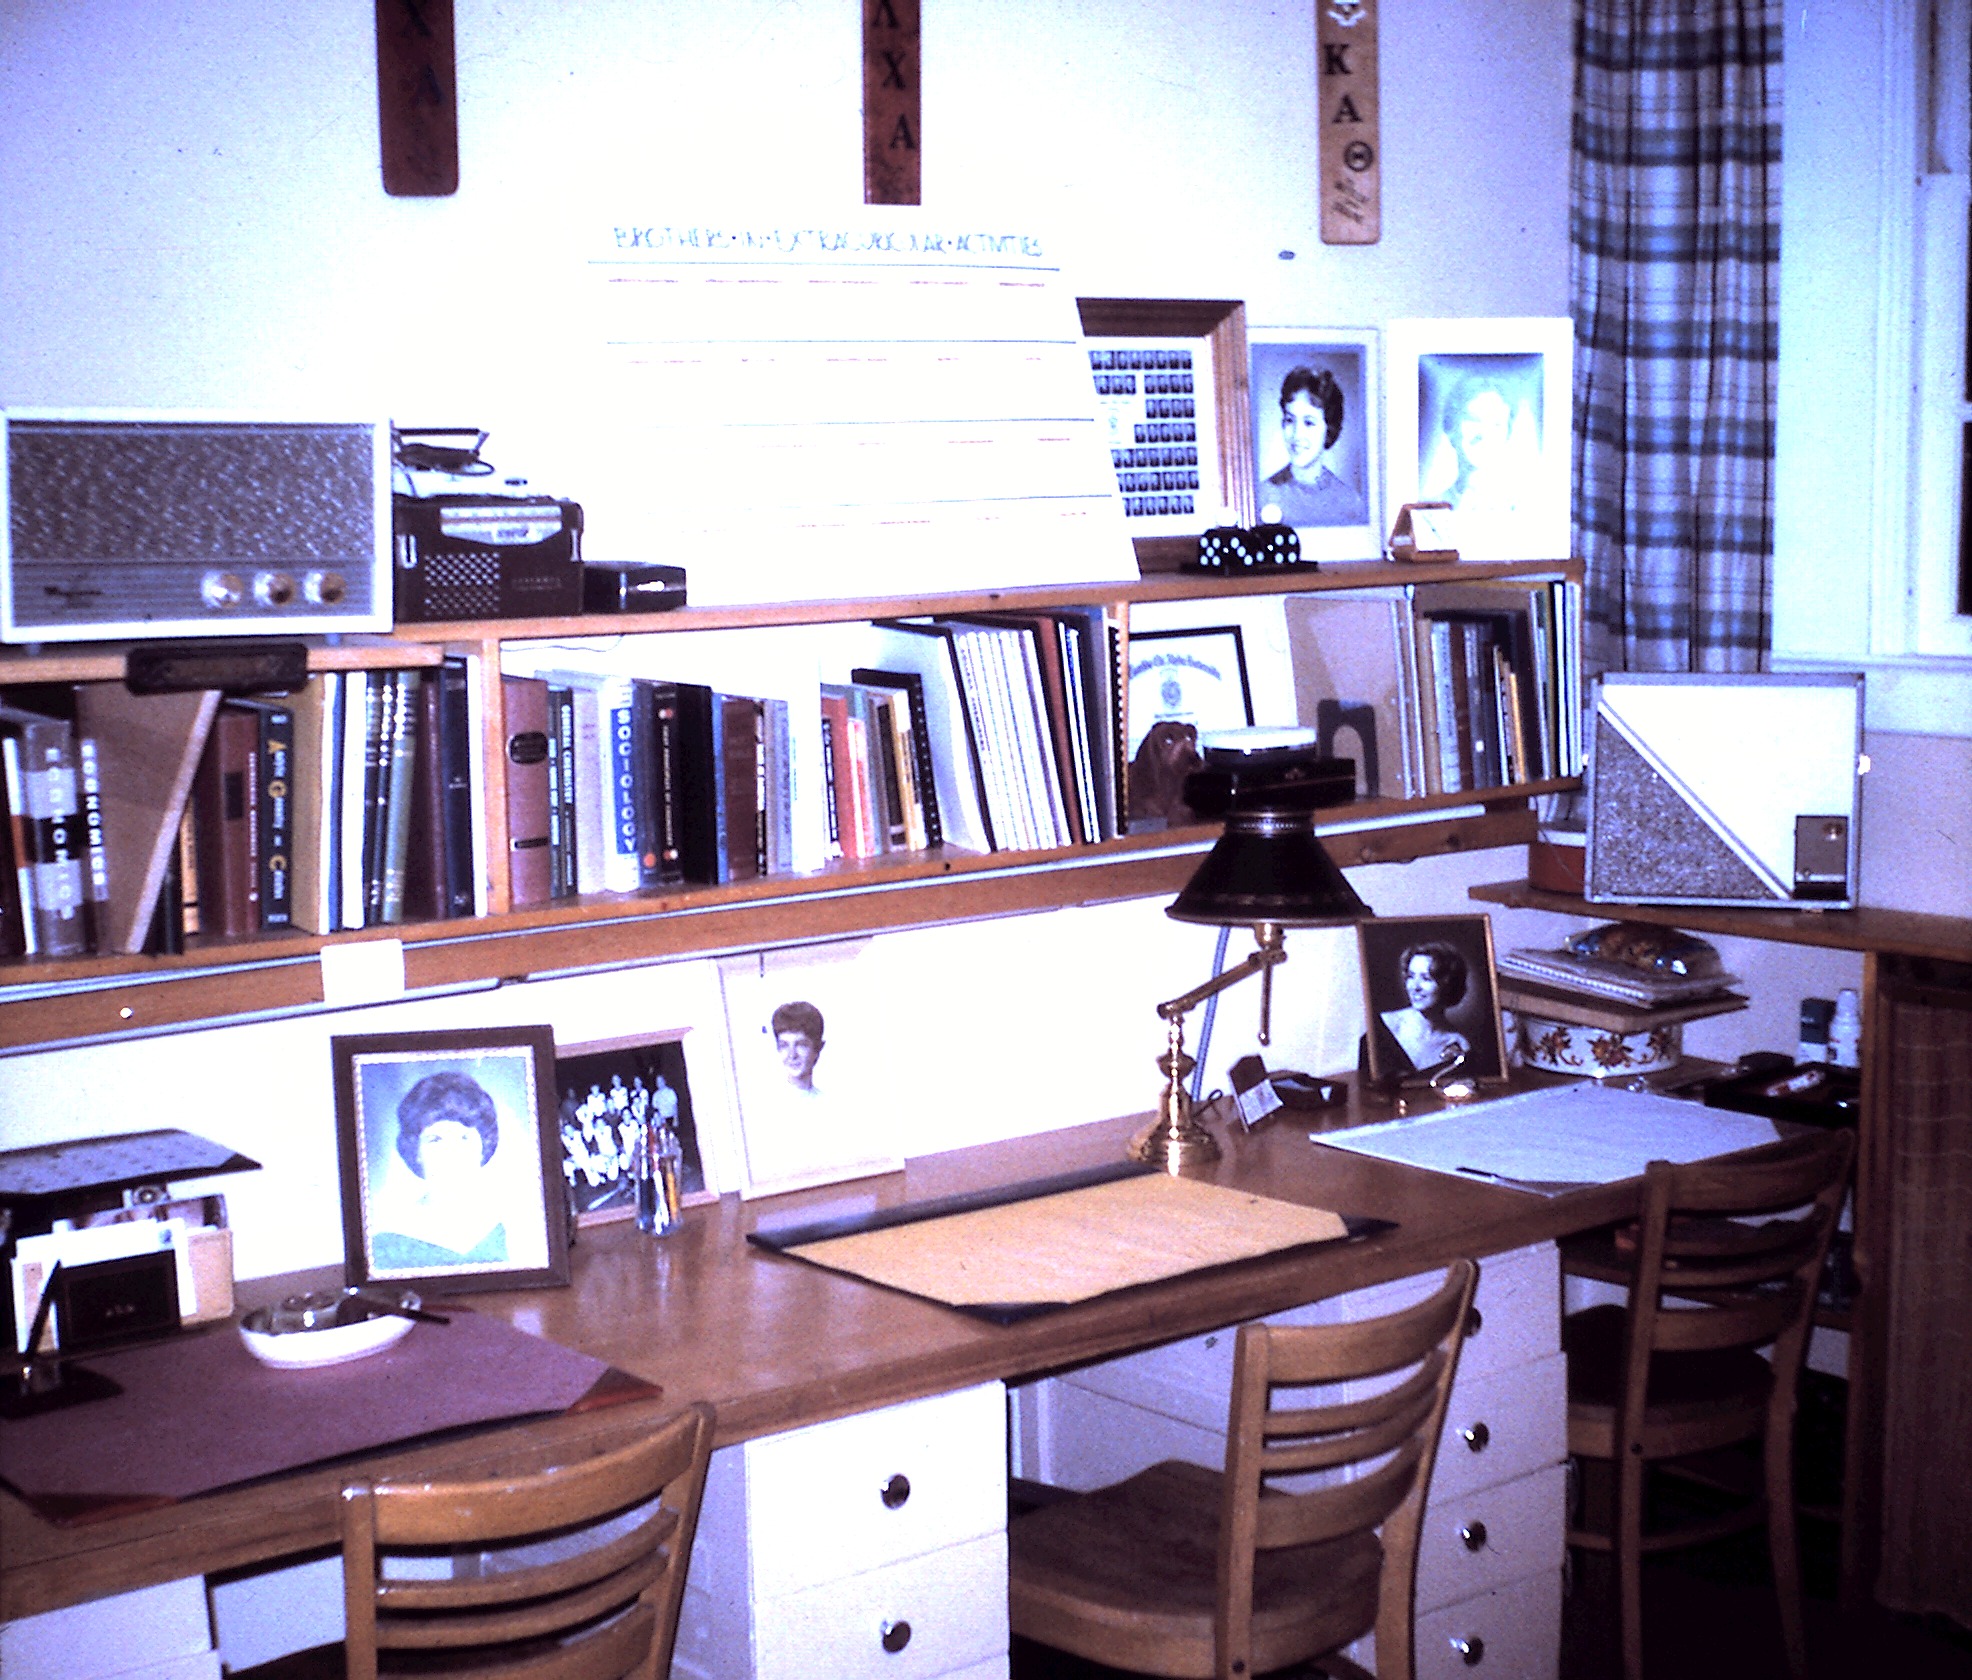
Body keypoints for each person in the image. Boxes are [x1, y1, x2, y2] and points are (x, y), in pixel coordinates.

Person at [370, 1070, 511, 1269]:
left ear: (483, 1145)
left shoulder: (500, 1224)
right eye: (435, 1139)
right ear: (416, 1151)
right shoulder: (388, 1242)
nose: (451, 1153)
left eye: (464, 1138)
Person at [1259, 366, 1367, 527]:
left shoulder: (1351, 502)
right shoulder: (1263, 495)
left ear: (1329, 428)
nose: (1297, 434)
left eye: (1309, 422)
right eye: (1290, 420)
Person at [1434, 373, 1522, 517]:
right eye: (1474, 420)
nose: (1484, 434)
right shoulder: (1432, 508)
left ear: (1507, 432)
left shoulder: (1520, 511)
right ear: (1451, 427)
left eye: (1496, 424)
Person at [1376, 942, 1473, 1074]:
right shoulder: (1381, 1026)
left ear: (1448, 985)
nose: (1415, 987)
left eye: (1426, 978)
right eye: (1410, 976)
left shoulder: (1458, 1044)